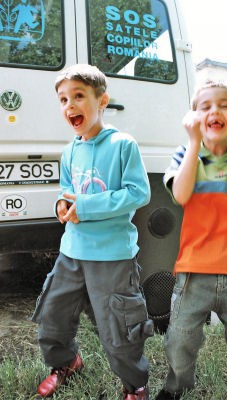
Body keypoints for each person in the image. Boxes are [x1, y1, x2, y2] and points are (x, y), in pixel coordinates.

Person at [32, 64, 154, 400]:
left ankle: (135, 386)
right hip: (71, 252)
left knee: (119, 327)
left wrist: (84, 207)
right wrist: (62, 205)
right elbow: (67, 190)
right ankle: (66, 363)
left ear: (102, 100)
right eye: (63, 99)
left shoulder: (122, 144)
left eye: (78, 96)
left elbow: (138, 193)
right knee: (53, 315)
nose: (69, 106)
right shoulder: (70, 150)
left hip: (112, 256)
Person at [155, 80, 227, 400]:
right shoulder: (184, 155)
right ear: (193, 118)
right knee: (180, 339)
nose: (214, 111)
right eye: (205, 107)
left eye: (223, 105)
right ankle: (176, 388)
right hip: (194, 270)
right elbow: (181, 193)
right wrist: (192, 144)